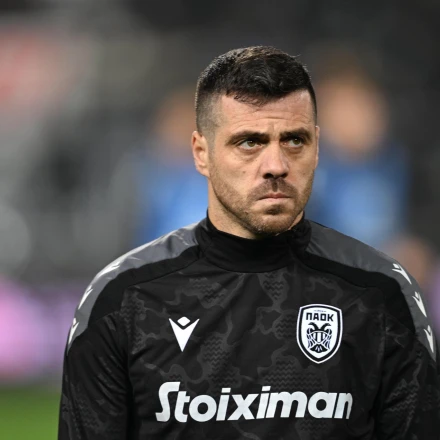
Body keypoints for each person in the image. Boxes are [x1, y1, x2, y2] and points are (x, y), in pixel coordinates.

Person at [58, 46, 440, 440]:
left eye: (294, 140)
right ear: (201, 153)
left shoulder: (382, 293)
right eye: (249, 142)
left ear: (317, 146)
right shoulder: (122, 300)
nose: (275, 165)